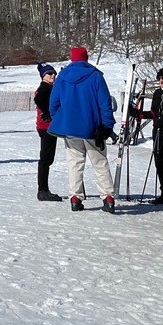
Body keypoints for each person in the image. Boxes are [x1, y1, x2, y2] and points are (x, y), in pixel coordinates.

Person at [48, 47, 118, 212]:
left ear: (72, 59)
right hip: (93, 128)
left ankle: (75, 197)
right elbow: (105, 104)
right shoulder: (95, 76)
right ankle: (108, 197)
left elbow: (54, 103)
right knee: (100, 162)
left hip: (71, 128)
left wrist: (61, 119)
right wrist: (107, 125)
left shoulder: (63, 77)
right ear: (86, 58)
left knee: (74, 163)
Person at [130, 65, 163, 205]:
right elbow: (154, 114)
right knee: (159, 163)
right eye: (160, 78)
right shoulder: (157, 93)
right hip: (158, 132)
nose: (162, 80)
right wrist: (138, 114)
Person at [34, 63, 62, 202]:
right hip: (47, 127)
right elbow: (38, 99)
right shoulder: (45, 87)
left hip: (47, 126)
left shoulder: (50, 87)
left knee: (47, 158)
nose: (53, 76)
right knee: (46, 159)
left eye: (54, 73)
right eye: (49, 74)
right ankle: (43, 190)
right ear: (43, 76)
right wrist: (48, 112)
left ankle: (43, 189)